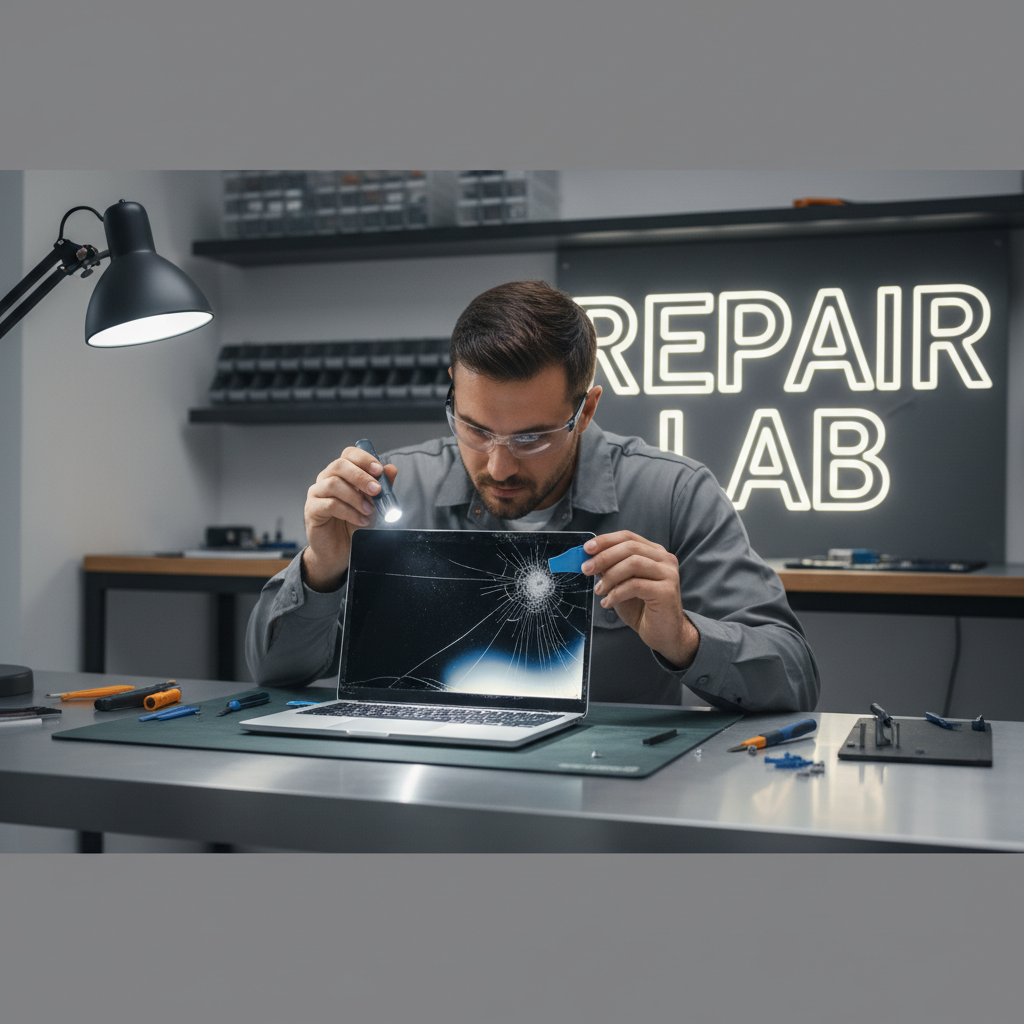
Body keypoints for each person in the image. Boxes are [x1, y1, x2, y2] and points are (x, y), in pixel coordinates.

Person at [245, 281, 819, 712]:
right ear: (453, 389)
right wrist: (322, 568)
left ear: (586, 409)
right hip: (412, 778)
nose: (498, 465)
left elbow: (794, 677)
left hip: (599, 793)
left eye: (531, 437)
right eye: (474, 428)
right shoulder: (392, 491)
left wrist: (685, 640)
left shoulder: (673, 493)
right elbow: (271, 672)